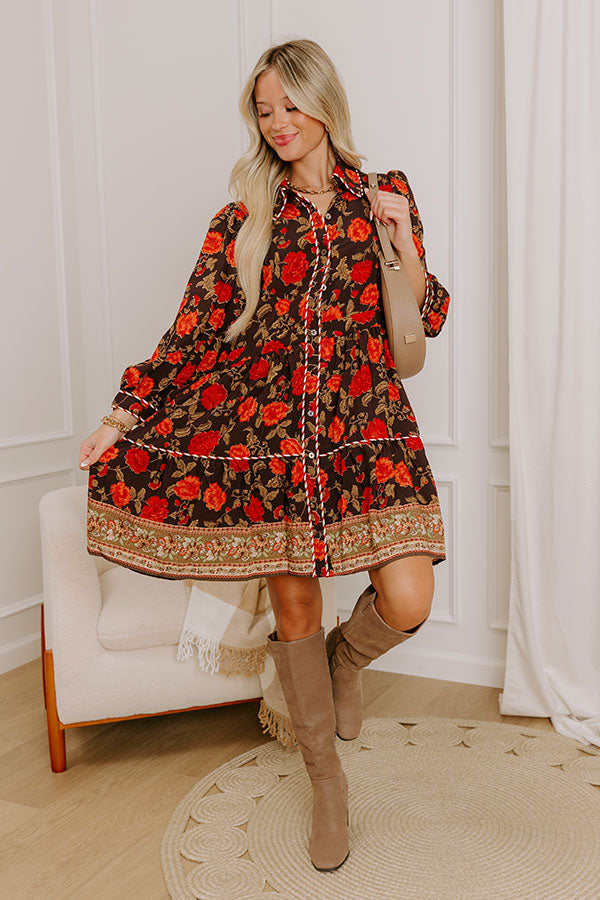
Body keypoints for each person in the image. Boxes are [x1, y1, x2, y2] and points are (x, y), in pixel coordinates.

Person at [80, 38, 451, 872]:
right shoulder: (242, 216)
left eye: (290, 104)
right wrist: (122, 416)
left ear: (325, 101)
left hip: (366, 426)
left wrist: (404, 241)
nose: (278, 123)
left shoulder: (384, 196)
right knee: (296, 611)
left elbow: (425, 317)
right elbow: (192, 332)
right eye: (263, 110)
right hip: (269, 440)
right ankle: (327, 785)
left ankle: (342, 662)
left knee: (408, 597)